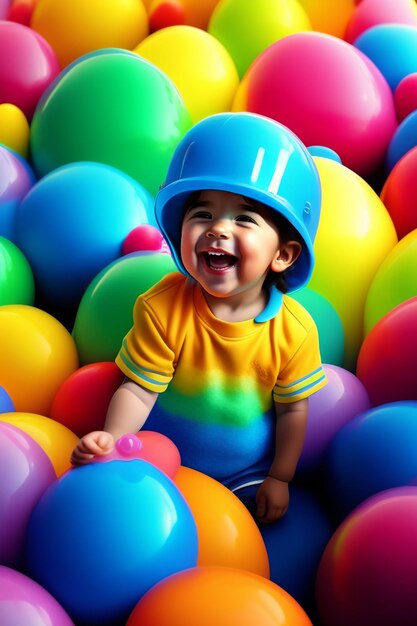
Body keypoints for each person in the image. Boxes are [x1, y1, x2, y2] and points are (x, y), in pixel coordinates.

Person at [71, 112, 327, 523]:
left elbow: (293, 411)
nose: (217, 229)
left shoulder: (293, 332)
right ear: (180, 232)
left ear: (283, 254)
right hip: (158, 460)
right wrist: (115, 441)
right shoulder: (162, 308)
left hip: (246, 475)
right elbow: (139, 389)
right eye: (202, 214)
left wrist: (279, 477)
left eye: (244, 219)